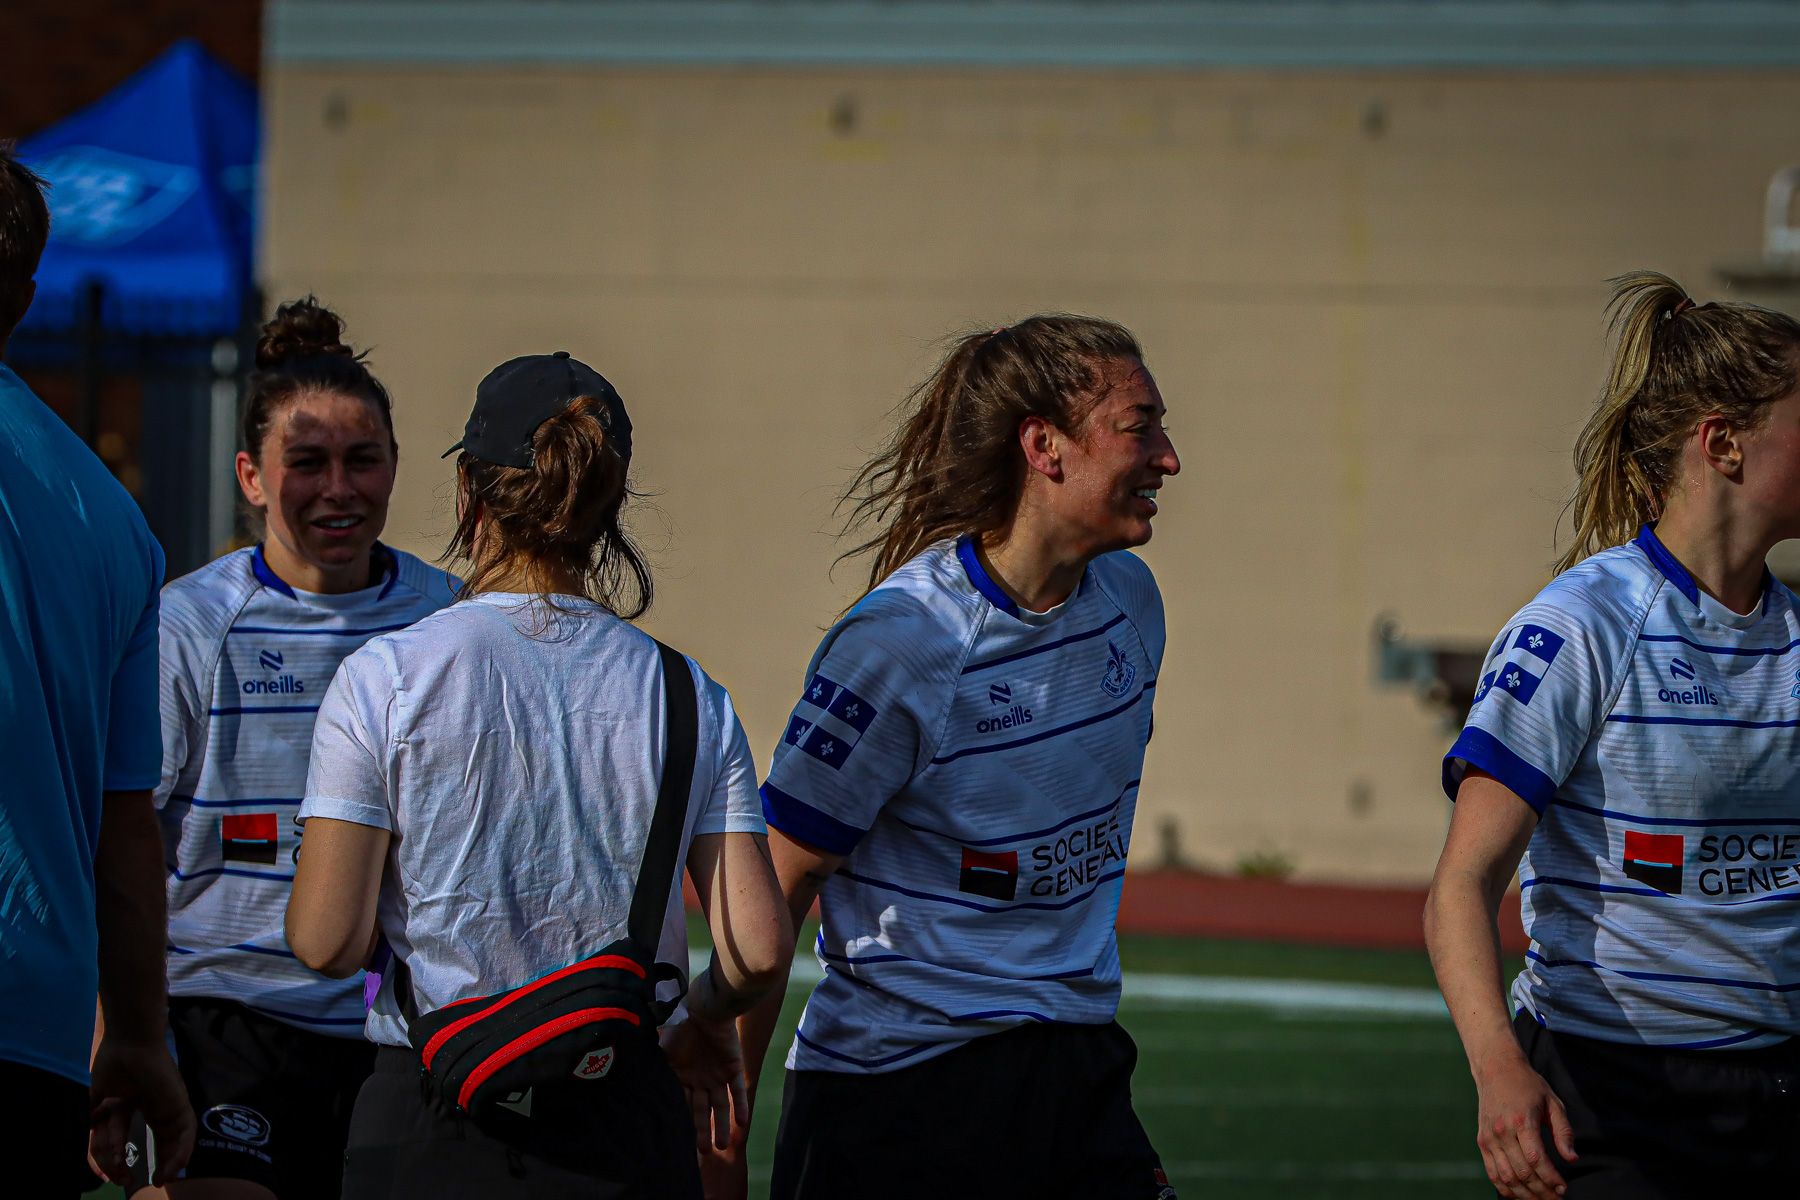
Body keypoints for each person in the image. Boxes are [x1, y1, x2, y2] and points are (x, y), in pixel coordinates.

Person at [285, 352, 792, 1198]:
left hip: (434, 1110)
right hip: (622, 1111)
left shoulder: (387, 676)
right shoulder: (688, 692)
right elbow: (759, 952)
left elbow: (326, 942)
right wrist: (704, 1018)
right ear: (610, 505)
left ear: (468, 493)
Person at [728, 315, 1181, 1200]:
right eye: (1140, 428)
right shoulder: (904, 642)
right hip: (902, 1097)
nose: (1167, 458)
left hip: (1078, 1066)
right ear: (1044, 447)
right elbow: (778, 882)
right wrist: (725, 1115)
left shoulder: (1131, 600)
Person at [1426, 272, 1800, 1200]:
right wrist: (1497, 1069)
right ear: (1723, 442)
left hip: (1780, 1091)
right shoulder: (1583, 626)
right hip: (1608, 1097)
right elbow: (1462, 886)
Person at [138, 298, 459, 1199]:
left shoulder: (448, 615)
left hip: (403, 1035)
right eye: (307, 463)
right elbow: (120, 839)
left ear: (395, 463)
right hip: (225, 1021)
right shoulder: (189, 624)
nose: (338, 488)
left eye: (363, 460)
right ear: (251, 476)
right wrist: (119, 1032)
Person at [0, 141, 194, 1194]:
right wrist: (136, 1036)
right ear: (25, 299)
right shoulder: (113, 519)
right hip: (37, 1031)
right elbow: (127, 818)